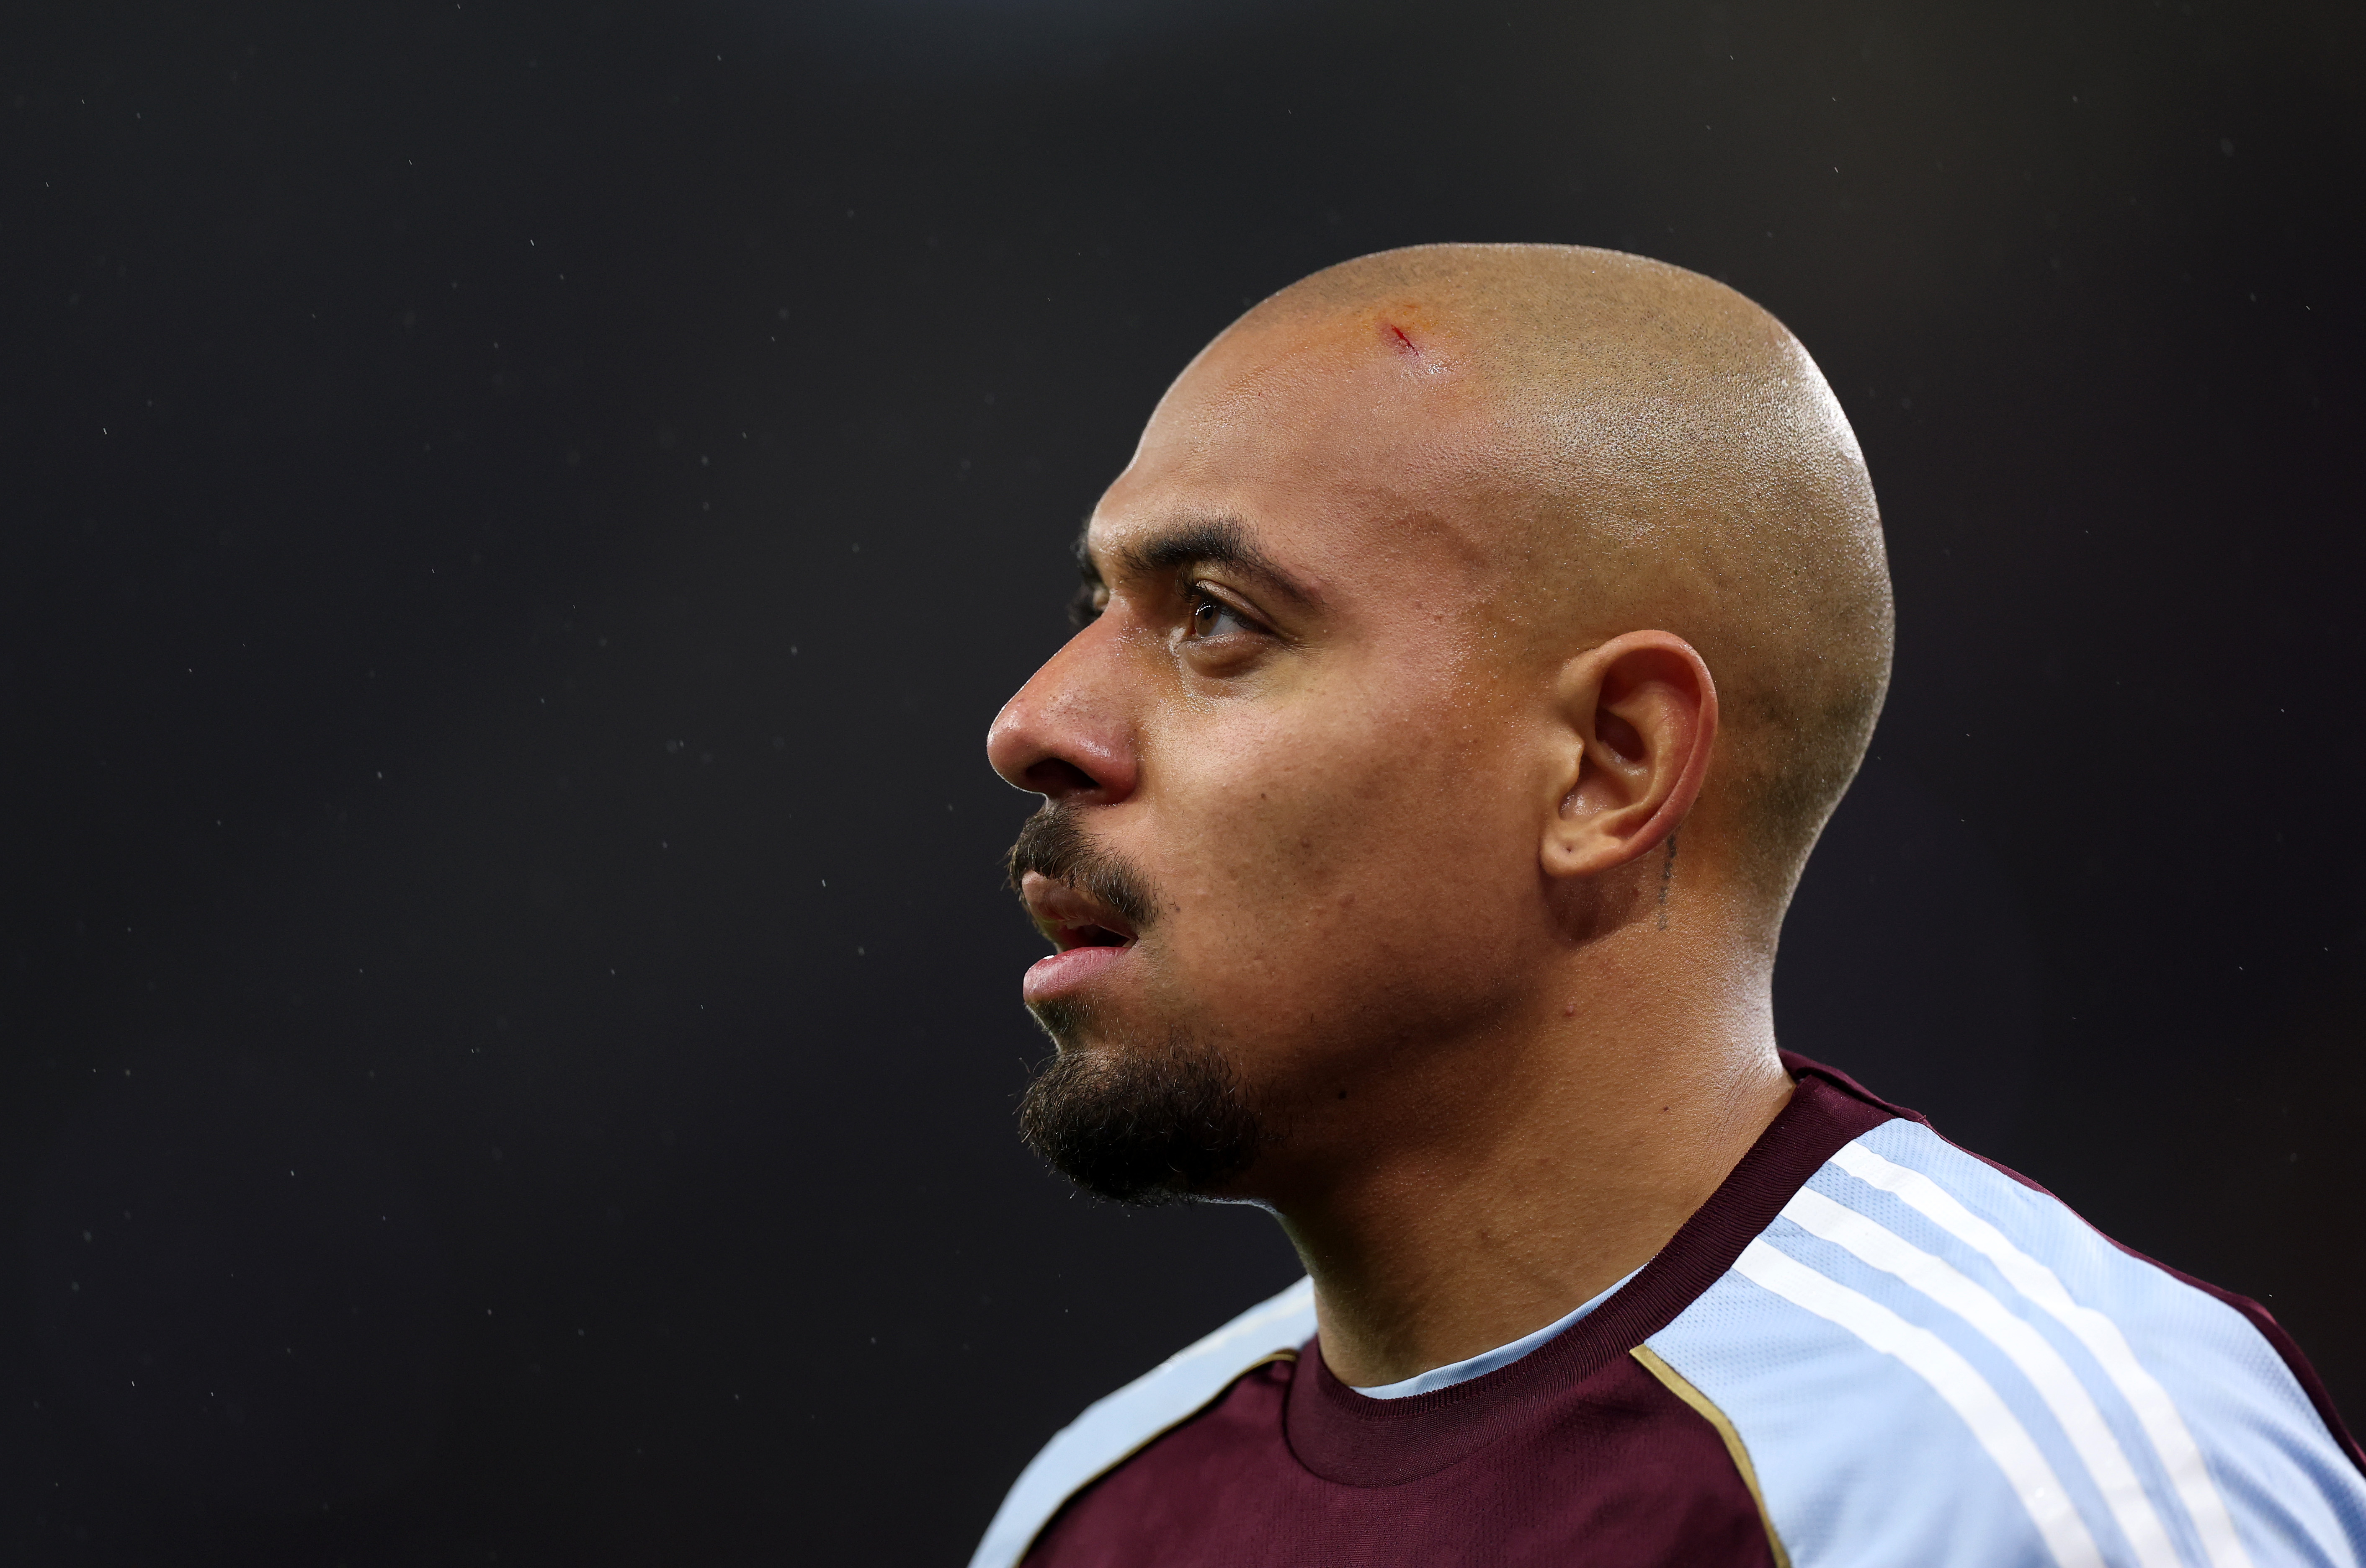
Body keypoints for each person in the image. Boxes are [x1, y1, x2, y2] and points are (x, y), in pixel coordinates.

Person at [971, 244, 2366, 1568]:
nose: (1033, 724)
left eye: (1215, 617)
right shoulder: (1090, 1515)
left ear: (1608, 765)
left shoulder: (2019, 1481)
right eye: (1094, 608)